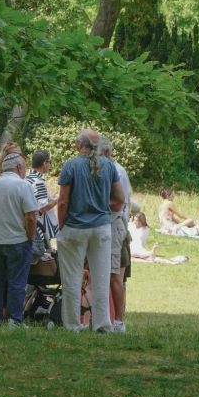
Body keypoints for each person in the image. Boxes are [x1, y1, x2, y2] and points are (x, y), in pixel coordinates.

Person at [55, 129, 123, 333]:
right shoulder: (109, 165)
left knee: (72, 278)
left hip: (75, 227)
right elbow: (120, 199)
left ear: (79, 145)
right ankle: (102, 325)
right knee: (101, 278)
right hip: (101, 228)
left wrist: (61, 226)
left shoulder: (71, 165)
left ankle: (72, 325)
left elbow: (63, 201)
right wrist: (100, 206)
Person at [0, 153, 38, 328]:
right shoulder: (23, 186)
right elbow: (31, 216)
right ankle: (14, 319)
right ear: (19, 168)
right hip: (16, 239)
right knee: (17, 281)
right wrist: (29, 237)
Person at [97, 135, 131, 333]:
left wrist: (91, 204)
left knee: (114, 276)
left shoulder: (116, 171)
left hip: (114, 225)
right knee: (104, 275)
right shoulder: (105, 168)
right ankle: (104, 318)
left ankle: (118, 322)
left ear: (107, 152)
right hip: (105, 225)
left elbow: (119, 203)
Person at [25, 150, 59, 241]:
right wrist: (58, 199)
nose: (50, 165)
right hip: (41, 229)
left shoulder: (28, 178)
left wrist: (50, 197)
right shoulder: (38, 182)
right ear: (45, 164)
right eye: (50, 162)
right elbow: (44, 207)